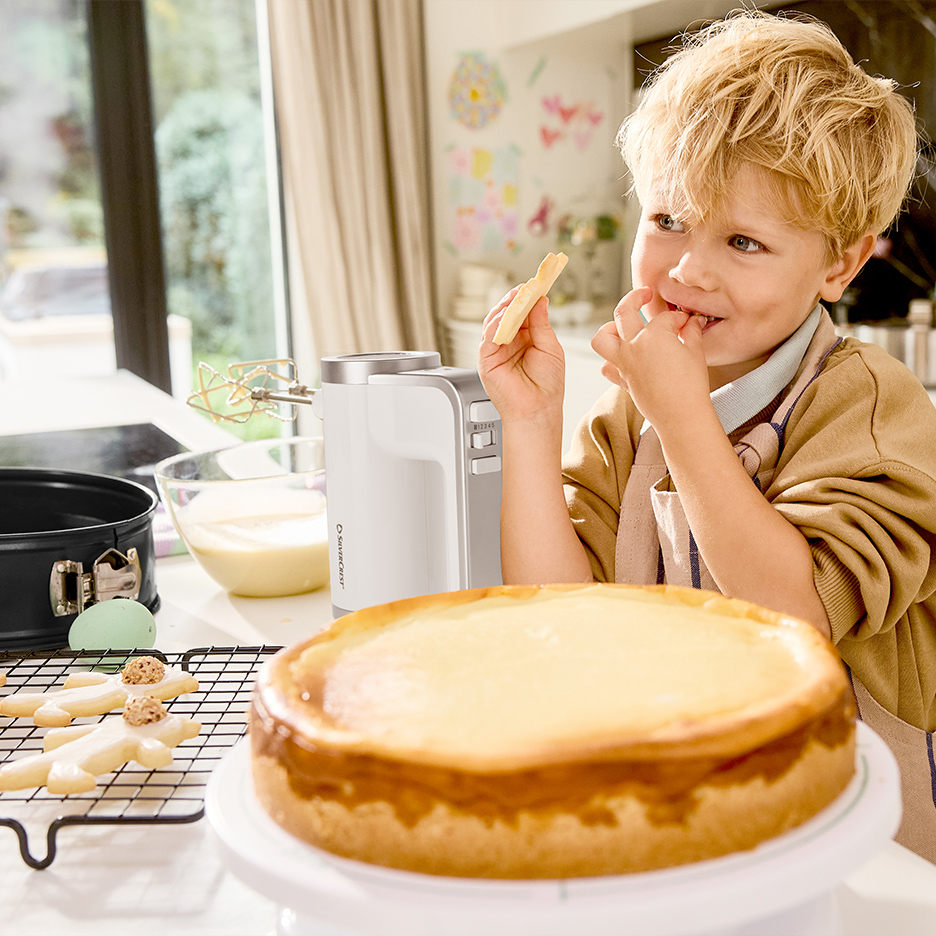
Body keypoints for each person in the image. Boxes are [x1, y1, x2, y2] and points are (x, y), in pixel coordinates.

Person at [478, 10, 936, 862]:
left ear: (839, 266)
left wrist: (684, 418)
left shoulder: (868, 404)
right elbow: (565, 612)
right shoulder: (634, 410)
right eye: (668, 221)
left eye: (744, 240)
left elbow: (793, 615)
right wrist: (533, 421)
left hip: (864, 842)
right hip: (697, 816)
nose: (689, 267)